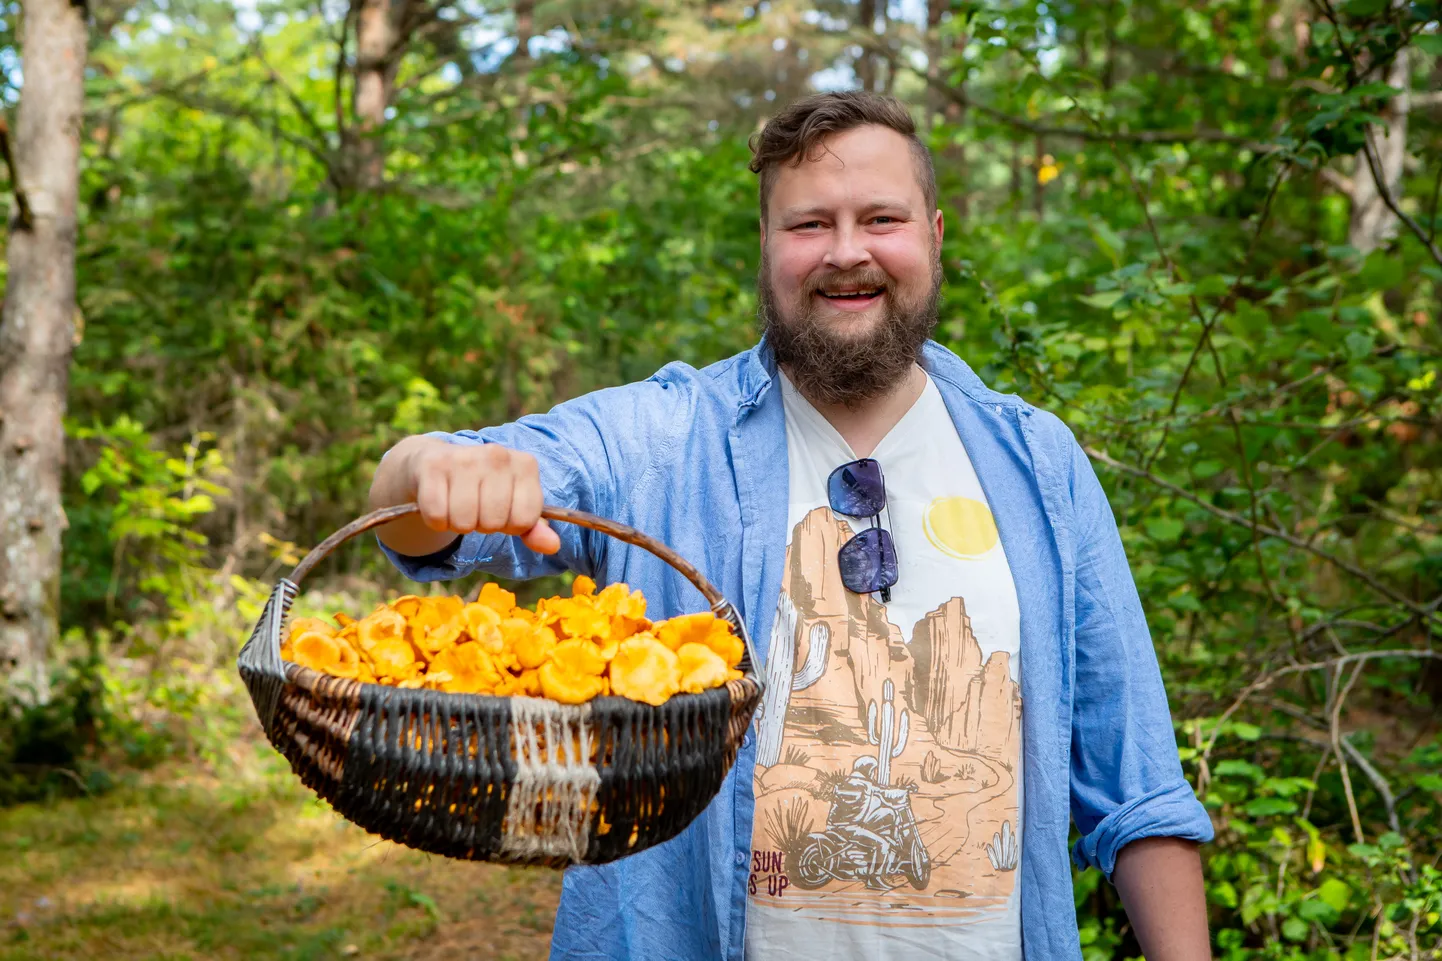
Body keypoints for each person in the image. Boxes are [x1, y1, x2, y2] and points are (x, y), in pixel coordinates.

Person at [368, 91, 1214, 961]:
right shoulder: (666, 439)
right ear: (767, 247)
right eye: (809, 224)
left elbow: (1137, 789)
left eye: (880, 218)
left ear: (934, 233)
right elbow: (417, 511)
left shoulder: (1038, 463)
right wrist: (430, 468)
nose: (848, 252)